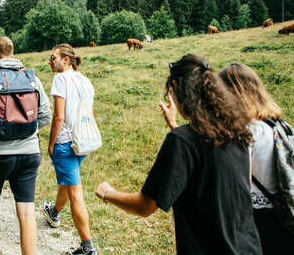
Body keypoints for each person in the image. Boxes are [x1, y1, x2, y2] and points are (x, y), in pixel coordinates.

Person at [95, 54, 263, 255]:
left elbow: (145, 206)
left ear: (175, 86)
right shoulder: (237, 132)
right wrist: (175, 125)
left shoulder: (181, 142)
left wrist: (107, 193)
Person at [0, 36, 51, 255]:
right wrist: (25, 129)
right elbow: (44, 116)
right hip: (30, 153)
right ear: (12, 53)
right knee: (26, 210)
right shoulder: (30, 77)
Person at [219, 63, 294, 255]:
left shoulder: (243, 134)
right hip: (286, 212)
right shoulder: (282, 126)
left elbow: (229, 182)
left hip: (258, 219)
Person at [43, 43, 98, 255]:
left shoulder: (60, 79)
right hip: (83, 141)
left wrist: (51, 143)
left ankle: (87, 248)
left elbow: (59, 116)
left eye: (53, 57)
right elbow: (89, 114)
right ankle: (54, 212)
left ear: (66, 60)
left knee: (75, 193)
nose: (50, 61)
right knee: (69, 181)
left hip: (65, 143)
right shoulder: (85, 80)